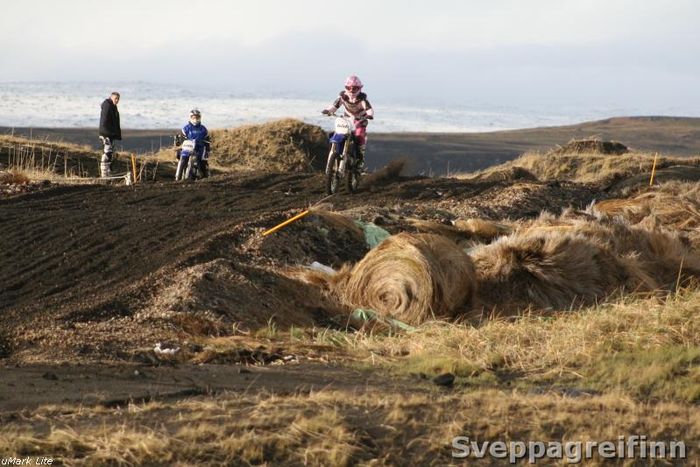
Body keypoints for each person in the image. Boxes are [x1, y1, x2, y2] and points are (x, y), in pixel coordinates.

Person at [322, 75, 374, 169]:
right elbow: (334, 106)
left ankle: (360, 159)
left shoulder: (362, 99)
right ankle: (338, 153)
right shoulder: (342, 97)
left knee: (359, 135)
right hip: (347, 119)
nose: (351, 90)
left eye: (354, 88)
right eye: (349, 88)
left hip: (360, 120)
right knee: (337, 133)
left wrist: (369, 115)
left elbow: (369, 109)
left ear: (359, 88)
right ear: (345, 87)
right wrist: (328, 110)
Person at [180, 109, 210, 179]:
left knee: (202, 163)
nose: (195, 119)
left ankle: (204, 176)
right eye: (194, 117)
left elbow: (207, 140)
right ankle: (179, 175)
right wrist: (180, 143)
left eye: (197, 117)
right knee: (183, 158)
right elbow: (182, 139)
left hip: (200, 149)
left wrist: (208, 149)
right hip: (188, 148)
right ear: (190, 118)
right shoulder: (186, 128)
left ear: (200, 118)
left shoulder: (203, 129)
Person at [98, 92, 121, 178]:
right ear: (111, 97)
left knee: (110, 153)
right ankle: (104, 174)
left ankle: (107, 172)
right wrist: (105, 134)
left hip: (110, 133)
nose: (117, 100)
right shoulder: (107, 105)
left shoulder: (113, 106)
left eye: (118, 99)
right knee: (107, 153)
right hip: (106, 133)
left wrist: (115, 134)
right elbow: (104, 121)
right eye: (116, 98)